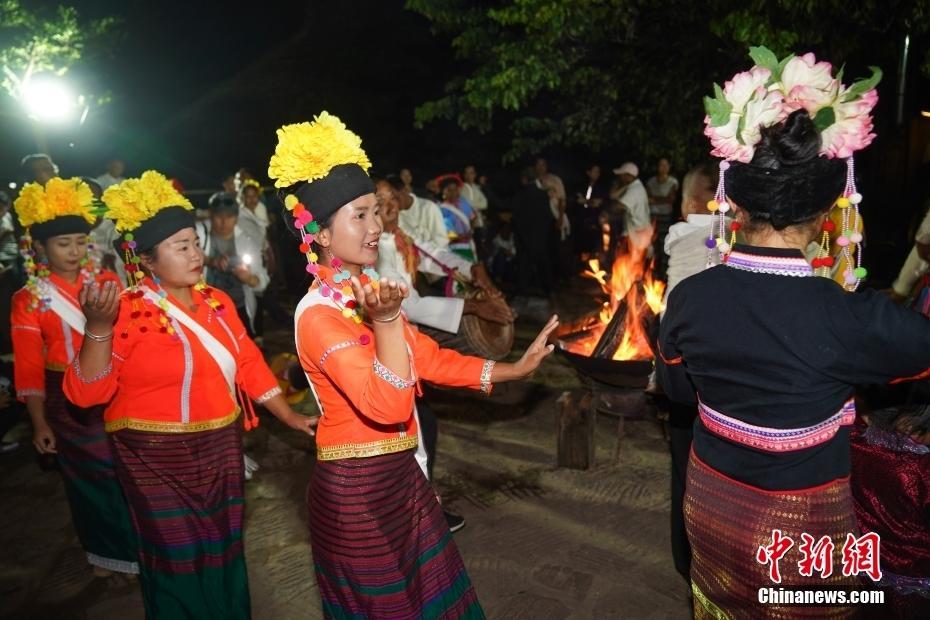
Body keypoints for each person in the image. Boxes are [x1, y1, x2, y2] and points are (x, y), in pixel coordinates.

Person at [658, 50, 918, 617]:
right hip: (800, 532)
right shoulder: (849, 317)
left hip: (712, 504)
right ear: (829, 208)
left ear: (734, 198)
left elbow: (678, 395)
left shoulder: (687, 299)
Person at [268, 111, 558, 618]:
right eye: (360, 215)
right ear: (317, 233)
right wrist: (384, 324)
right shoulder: (318, 316)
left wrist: (508, 370)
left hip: (400, 475)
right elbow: (386, 404)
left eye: (375, 212)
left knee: (433, 600)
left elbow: (425, 356)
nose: (377, 225)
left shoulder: (362, 293)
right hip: (357, 492)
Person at [63, 170, 315, 619]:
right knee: (174, 554)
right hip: (153, 457)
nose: (196, 253)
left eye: (195, 242)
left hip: (219, 446)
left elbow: (249, 362)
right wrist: (98, 331)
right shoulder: (127, 312)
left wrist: (288, 415)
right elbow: (85, 395)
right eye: (181, 246)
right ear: (147, 260)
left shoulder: (218, 301)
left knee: (223, 544)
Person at [11, 177, 138, 577]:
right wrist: (38, 421)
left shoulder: (106, 283)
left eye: (80, 242)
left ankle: (143, 544)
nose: (73, 251)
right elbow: (29, 367)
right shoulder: (29, 299)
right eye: (63, 244)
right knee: (92, 476)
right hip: (66, 401)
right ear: (41, 249)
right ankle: (106, 551)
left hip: (114, 386)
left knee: (129, 469)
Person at [658, 161, 722, 586]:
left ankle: (690, 561)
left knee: (686, 470)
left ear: (691, 201)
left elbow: (670, 321)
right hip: (732, 381)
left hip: (692, 379)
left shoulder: (686, 241)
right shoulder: (748, 236)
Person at [850, 403, 930, 617]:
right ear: (909, 426)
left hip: (864, 566)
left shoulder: (853, 440)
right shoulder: (921, 471)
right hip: (913, 579)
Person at [198, 191, 269, 338]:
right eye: (219, 217)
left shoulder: (247, 241)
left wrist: (249, 278)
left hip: (238, 306)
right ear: (210, 215)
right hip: (206, 307)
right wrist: (212, 261)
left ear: (236, 218)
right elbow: (186, 255)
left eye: (229, 217)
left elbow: (262, 279)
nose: (224, 222)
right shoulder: (199, 234)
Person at [512, 167, 554, 298]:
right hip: (540, 237)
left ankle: (522, 291)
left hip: (525, 238)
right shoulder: (542, 195)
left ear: (524, 179)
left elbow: (516, 217)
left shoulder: (520, 195)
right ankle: (548, 290)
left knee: (524, 264)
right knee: (543, 263)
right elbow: (548, 216)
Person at [611, 162, 653, 253]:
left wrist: (606, 213)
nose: (619, 178)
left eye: (621, 175)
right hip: (638, 233)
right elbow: (613, 195)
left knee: (630, 264)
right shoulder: (633, 187)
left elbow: (618, 206)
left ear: (628, 176)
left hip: (637, 235)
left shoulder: (634, 190)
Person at [438, 175, 477, 261]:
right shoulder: (443, 209)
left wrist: (471, 230)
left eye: (455, 189)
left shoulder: (463, 202)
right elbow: (446, 230)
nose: (453, 192)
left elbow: (473, 217)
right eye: (449, 190)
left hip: (468, 243)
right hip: (454, 246)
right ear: (444, 192)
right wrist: (458, 238)